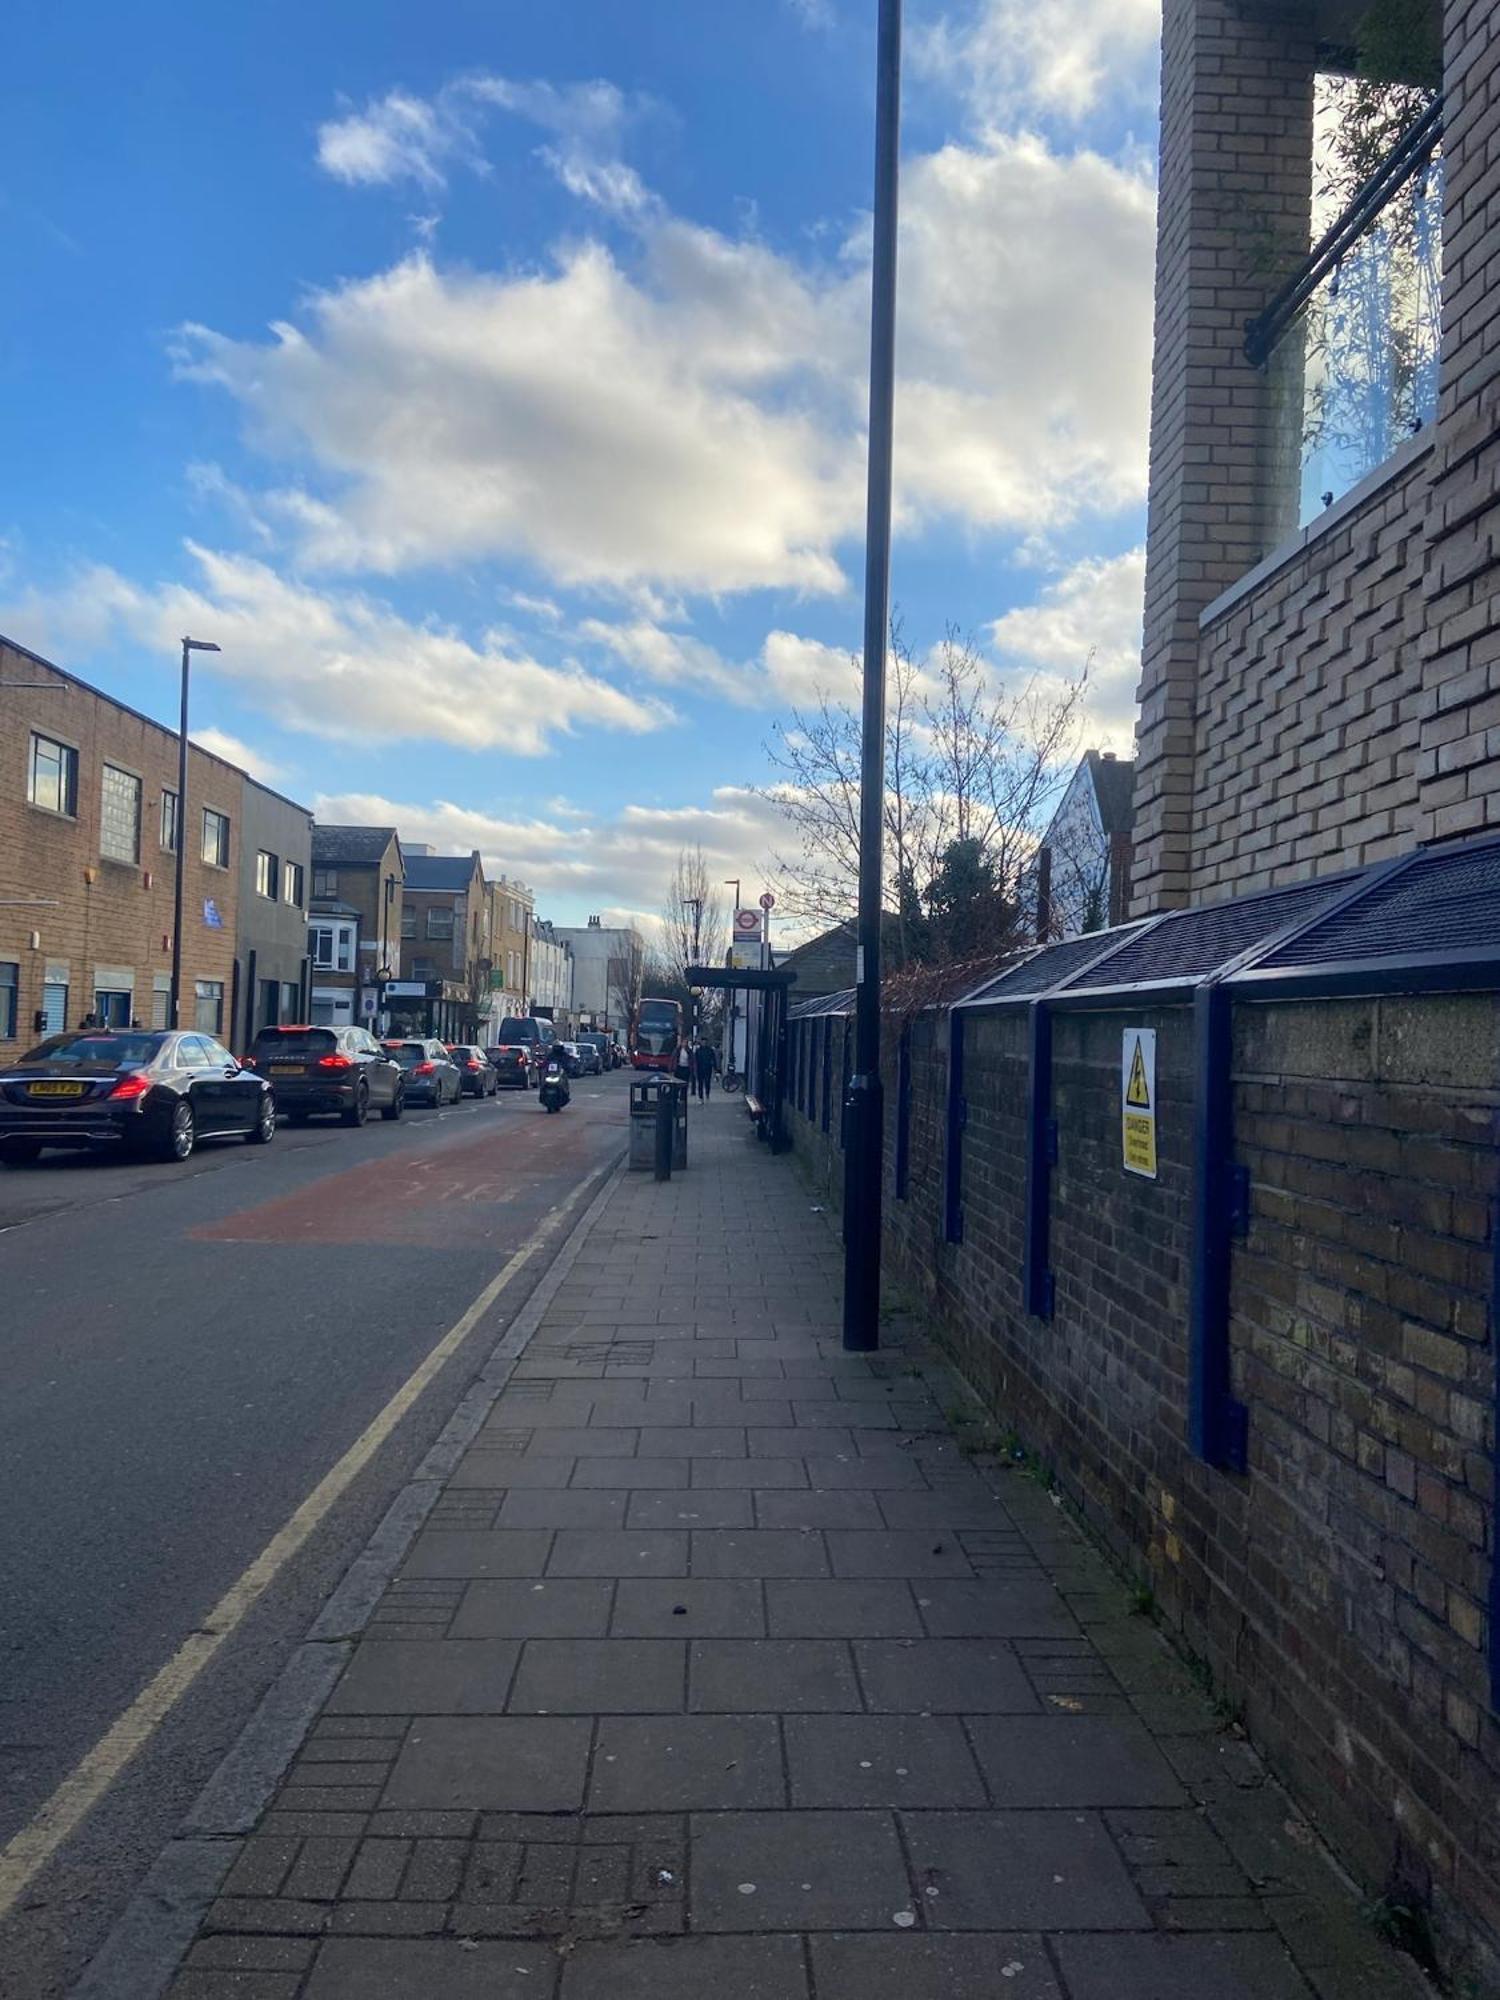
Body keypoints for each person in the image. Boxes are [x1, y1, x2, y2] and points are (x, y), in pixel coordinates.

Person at [693, 1037, 715, 1102]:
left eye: (705, 1042)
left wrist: (715, 1068)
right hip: (700, 1069)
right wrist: (695, 1069)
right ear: (701, 1042)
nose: (704, 1043)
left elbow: (713, 1059)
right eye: (703, 1042)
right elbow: (695, 1060)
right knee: (700, 1083)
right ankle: (701, 1097)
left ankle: (707, 1093)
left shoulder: (710, 1050)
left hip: (708, 1069)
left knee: (707, 1082)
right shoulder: (698, 1050)